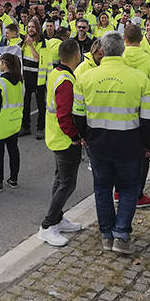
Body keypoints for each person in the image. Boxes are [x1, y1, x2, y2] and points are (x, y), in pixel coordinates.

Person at [72, 32, 150, 254]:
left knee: (102, 189)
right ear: (122, 50)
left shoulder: (85, 78)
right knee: (129, 189)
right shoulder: (139, 78)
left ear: (101, 50)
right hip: (129, 144)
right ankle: (121, 235)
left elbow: (78, 115)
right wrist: (148, 145)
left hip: (98, 144)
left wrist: (84, 137)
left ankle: (106, 235)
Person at [38, 39, 85, 247]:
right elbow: (64, 115)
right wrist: (75, 137)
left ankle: (57, 218)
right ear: (77, 56)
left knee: (60, 180)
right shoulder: (66, 80)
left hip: (55, 136)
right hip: (65, 140)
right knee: (67, 184)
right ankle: (48, 225)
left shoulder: (56, 73)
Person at [121, 24, 150, 208]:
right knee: (143, 157)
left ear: (125, 39)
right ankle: (137, 193)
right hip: (143, 118)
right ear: (141, 40)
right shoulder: (149, 62)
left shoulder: (118, 59)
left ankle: (119, 190)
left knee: (121, 156)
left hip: (119, 116)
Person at [0, 53, 24, 192]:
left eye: (0, 63)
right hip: (14, 123)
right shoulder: (20, 81)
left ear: (5, 65)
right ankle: (13, 179)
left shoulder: (0, 84)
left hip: (1, 125)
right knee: (14, 151)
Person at [21, 20, 51, 138]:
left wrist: (31, 46)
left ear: (37, 28)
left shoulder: (43, 43)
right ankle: (25, 127)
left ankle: (41, 128)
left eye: (33, 27)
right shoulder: (24, 41)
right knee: (25, 104)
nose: (30, 29)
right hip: (26, 78)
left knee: (40, 105)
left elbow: (38, 59)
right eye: (29, 27)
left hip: (38, 79)